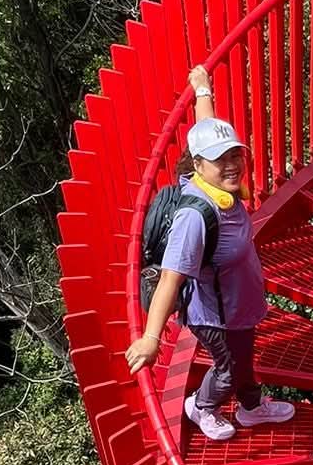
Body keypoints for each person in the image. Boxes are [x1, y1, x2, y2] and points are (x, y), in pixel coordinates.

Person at [124, 66, 295, 442]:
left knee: (242, 358)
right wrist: (151, 337)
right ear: (198, 164)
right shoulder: (195, 217)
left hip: (238, 304)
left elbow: (206, 126)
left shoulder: (219, 185)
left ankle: (250, 407)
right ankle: (201, 407)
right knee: (227, 369)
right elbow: (171, 279)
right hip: (216, 315)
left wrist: (202, 89)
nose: (232, 165)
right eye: (221, 160)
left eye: (236, 155)